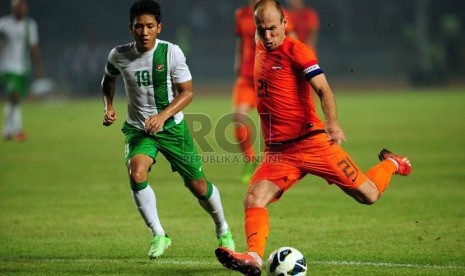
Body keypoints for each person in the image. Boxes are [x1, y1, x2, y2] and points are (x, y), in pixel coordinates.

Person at [215, 1, 412, 275]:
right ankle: (253, 258)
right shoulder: (259, 42)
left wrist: (332, 124)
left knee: (368, 195)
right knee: (254, 199)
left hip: (313, 142)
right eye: (262, 30)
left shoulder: (297, 51)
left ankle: (392, 163)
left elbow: (323, 89)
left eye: (273, 29)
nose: (268, 36)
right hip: (279, 152)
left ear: (285, 24)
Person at [100, 0, 235, 259]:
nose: (144, 32)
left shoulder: (171, 52)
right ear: (131, 28)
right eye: (139, 26)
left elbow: (187, 92)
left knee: (198, 186)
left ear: (159, 27)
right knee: (136, 172)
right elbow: (108, 79)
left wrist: (163, 116)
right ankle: (159, 233)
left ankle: (223, 228)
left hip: (172, 129)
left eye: (150, 26)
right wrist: (108, 106)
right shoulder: (118, 54)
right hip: (138, 130)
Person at [233, 0, 294, 184]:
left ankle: (280, 164)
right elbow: (241, 41)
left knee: (274, 122)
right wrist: (237, 62)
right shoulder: (241, 15)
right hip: (246, 76)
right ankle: (250, 160)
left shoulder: (277, 13)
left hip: (268, 75)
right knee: (238, 117)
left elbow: (291, 39)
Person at [0, 0, 42, 141]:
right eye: (19, 6)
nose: (22, 9)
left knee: (13, 100)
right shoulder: (4, 24)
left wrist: (38, 66)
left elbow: (33, 46)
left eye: (24, 6)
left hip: (23, 68)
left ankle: (6, 131)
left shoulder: (29, 25)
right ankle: (18, 130)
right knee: (14, 95)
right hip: (7, 68)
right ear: (13, 8)